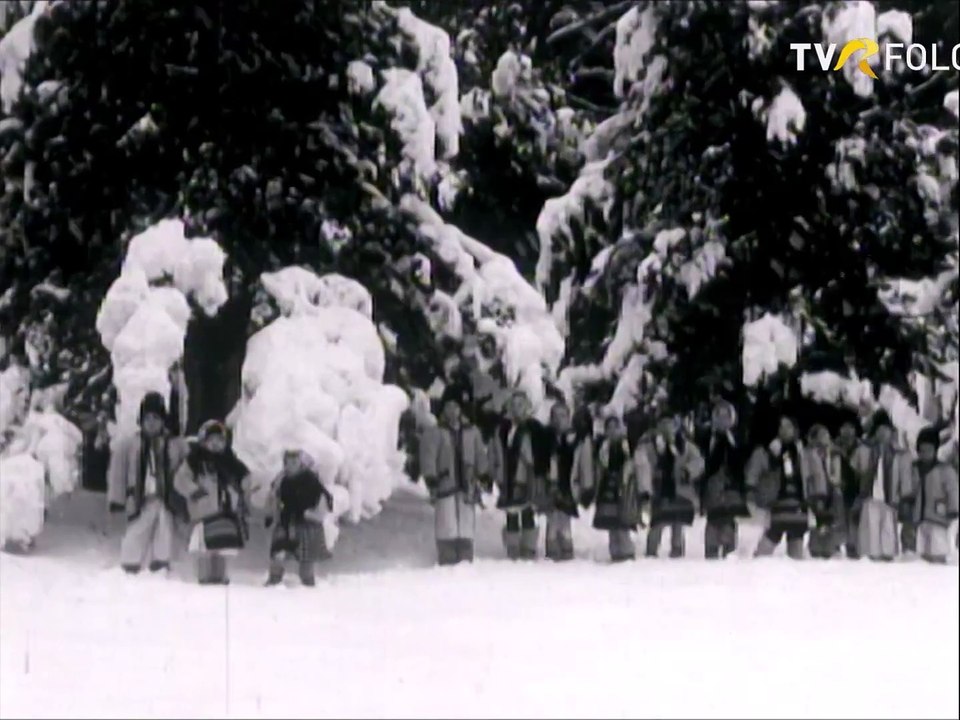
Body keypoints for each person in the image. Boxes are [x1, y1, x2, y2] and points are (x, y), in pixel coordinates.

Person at [108, 392, 187, 574]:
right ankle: (130, 562)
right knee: (137, 531)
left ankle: (161, 562)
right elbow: (118, 473)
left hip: (165, 496)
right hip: (139, 497)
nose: (152, 423)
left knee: (164, 529)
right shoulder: (129, 445)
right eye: (148, 418)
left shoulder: (174, 445)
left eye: (156, 418)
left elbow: (185, 467)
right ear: (141, 420)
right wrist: (116, 499)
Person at [174, 420, 251, 585]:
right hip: (203, 511)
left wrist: (245, 488)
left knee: (222, 547)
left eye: (220, 440)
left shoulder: (231, 461)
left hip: (225, 512)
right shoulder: (195, 461)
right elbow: (180, 479)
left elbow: (245, 476)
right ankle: (204, 574)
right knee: (204, 547)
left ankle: (220, 574)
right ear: (203, 441)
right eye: (212, 440)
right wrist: (194, 491)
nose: (216, 444)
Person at [419, 383, 489, 565]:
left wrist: (483, 474)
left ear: (461, 409)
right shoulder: (435, 432)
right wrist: (431, 478)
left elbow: (480, 453)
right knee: (446, 522)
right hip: (445, 483)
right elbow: (428, 456)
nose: (452, 411)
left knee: (466, 522)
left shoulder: (472, 432)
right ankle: (447, 555)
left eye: (456, 407)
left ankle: (465, 556)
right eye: (448, 406)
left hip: (467, 484)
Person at [748, 414, 825, 560]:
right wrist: (751, 489)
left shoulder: (805, 452)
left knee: (796, 537)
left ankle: (795, 571)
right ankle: (757, 564)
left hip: (799, 502)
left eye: (788, 426)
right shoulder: (768, 450)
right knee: (772, 534)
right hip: (777, 501)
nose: (784, 430)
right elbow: (755, 469)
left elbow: (817, 474)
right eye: (781, 426)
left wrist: (819, 496)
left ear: (795, 430)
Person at [637, 412, 704, 559]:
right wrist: (646, 487)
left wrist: (688, 471)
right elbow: (642, 464)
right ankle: (651, 551)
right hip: (659, 489)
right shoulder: (649, 444)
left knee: (678, 523)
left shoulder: (684, 445)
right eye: (663, 423)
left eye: (670, 423)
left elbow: (698, 461)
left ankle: (677, 550)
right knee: (657, 522)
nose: (666, 427)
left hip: (679, 489)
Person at [265, 449, 334, 586]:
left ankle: (308, 582)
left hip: (307, 522)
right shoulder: (281, 480)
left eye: (295, 462)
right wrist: (271, 514)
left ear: (301, 463)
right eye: (288, 462)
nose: (291, 465)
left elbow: (323, 500)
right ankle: (274, 579)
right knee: (278, 552)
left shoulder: (311, 480)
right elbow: (274, 498)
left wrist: (312, 514)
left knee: (306, 557)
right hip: (286, 521)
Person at [851, 410, 912, 562]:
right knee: (870, 524)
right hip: (870, 494)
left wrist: (905, 495)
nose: (883, 433)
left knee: (888, 526)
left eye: (886, 430)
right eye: (879, 430)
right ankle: (871, 554)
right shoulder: (864, 449)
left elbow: (905, 475)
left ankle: (888, 553)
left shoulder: (899, 453)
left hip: (890, 495)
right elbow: (855, 469)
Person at [490, 390, 540, 560]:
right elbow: (495, 451)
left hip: (526, 476)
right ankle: (512, 547)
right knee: (511, 512)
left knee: (527, 511)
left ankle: (529, 547)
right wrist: (495, 472)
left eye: (520, 405)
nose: (517, 408)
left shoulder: (533, 428)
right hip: (506, 475)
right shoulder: (502, 429)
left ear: (527, 407)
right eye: (514, 404)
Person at [592, 413, 648, 562]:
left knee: (623, 524)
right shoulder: (603, 448)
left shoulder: (629, 445)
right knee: (611, 524)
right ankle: (615, 552)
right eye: (608, 428)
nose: (611, 431)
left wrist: (643, 489)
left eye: (614, 427)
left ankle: (627, 552)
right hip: (608, 488)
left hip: (625, 488)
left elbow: (640, 466)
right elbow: (599, 468)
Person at [543, 402, 595, 561]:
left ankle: (566, 548)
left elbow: (585, 464)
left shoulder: (579, 438)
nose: (560, 420)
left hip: (570, 483)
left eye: (563, 416)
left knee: (565, 517)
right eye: (556, 416)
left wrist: (587, 486)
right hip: (551, 483)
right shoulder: (546, 438)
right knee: (552, 518)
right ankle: (552, 548)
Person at [699, 399, 750, 559]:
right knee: (713, 518)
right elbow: (703, 462)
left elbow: (740, 463)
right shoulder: (706, 436)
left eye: (726, 416)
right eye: (719, 415)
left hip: (731, 487)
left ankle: (729, 550)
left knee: (729, 518)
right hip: (712, 485)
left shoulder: (736, 439)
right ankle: (711, 549)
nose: (722, 420)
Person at [909, 427, 959, 564]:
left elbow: (953, 491)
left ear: (935, 450)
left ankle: (939, 570)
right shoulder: (913, 469)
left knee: (938, 549)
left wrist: (953, 509)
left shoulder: (945, 470)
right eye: (922, 450)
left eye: (928, 450)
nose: (925, 454)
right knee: (922, 552)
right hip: (919, 518)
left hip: (939, 517)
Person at [806, 424, 844, 559]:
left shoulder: (834, 453)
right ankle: (816, 548)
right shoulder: (809, 454)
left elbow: (837, 474)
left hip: (832, 490)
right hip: (816, 492)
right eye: (822, 435)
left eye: (827, 434)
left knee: (832, 520)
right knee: (819, 520)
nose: (826, 437)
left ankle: (831, 547)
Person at [833, 418, 862, 558]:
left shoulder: (861, 447)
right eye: (844, 427)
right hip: (838, 488)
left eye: (850, 427)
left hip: (856, 488)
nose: (847, 431)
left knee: (854, 519)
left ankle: (853, 548)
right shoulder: (833, 447)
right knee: (838, 518)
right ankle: (835, 547)